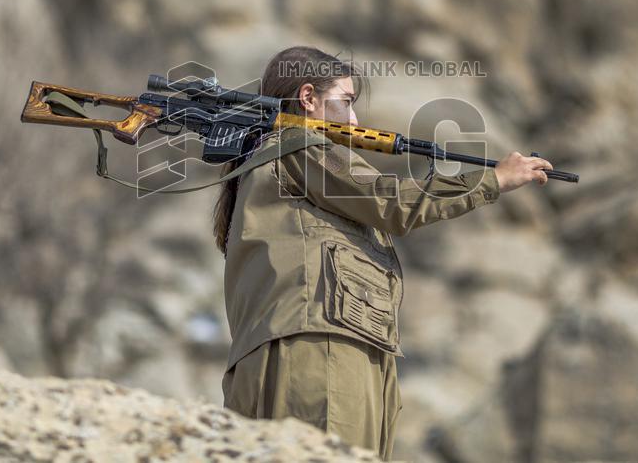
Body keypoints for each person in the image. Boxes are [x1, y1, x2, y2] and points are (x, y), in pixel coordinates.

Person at [213, 46, 553, 460]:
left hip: (292, 354)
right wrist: (492, 179)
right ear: (308, 98)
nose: (355, 120)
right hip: (320, 352)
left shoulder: (263, 164)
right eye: (346, 102)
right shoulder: (300, 144)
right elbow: (388, 200)